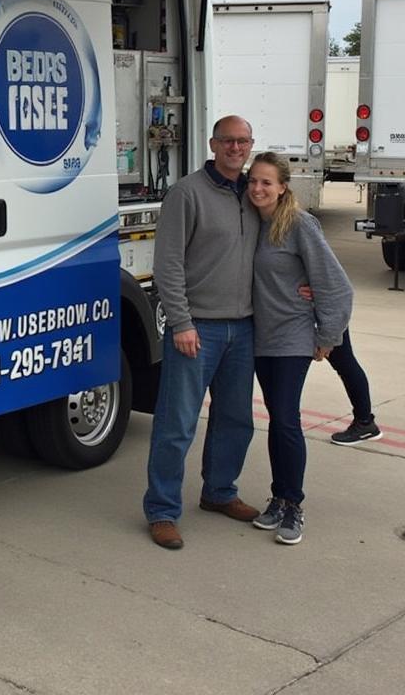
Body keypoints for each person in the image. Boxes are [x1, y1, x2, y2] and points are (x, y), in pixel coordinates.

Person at [143, 115, 261, 550]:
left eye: (242, 141)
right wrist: (181, 322)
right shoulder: (186, 194)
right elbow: (167, 265)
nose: (235, 147)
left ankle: (219, 492)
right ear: (212, 143)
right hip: (199, 329)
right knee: (177, 424)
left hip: (244, 328)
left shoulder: (254, 193)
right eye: (227, 140)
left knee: (235, 419)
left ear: (251, 145)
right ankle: (161, 510)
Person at [246, 152, 353, 545]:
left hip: (292, 336)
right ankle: (278, 496)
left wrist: (328, 336)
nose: (258, 189)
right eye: (253, 181)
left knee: (286, 418)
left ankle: (293, 504)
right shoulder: (249, 223)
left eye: (267, 183)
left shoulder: (300, 225)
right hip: (260, 337)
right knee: (276, 418)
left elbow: (336, 285)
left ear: (283, 186)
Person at [327, 330, 383, 444]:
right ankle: (364, 421)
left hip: (324, 319)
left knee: (345, 363)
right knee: (345, 363)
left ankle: (364, 422)